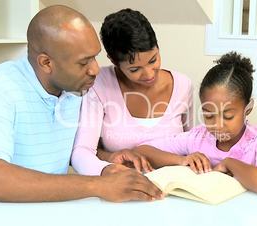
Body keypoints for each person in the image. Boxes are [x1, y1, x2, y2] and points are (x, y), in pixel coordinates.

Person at [0, 5, 162, 202]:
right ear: (46, 63)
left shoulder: (75, 88)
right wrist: (98, 185)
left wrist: (107, 162)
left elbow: (70, 150)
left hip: (47, 210)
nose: (95, 70)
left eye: (94, 57)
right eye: (83, 63)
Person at [132, 52, 257, 196]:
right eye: (209, 115)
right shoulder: (198, 137)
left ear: (247, 108)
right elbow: (142, 150)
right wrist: (182, 160)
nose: (217, 125)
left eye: (228, 116)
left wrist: (229, 163)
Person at [71, 8, 193, 175]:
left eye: (153, 60)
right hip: (122, 184)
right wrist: (111, 158)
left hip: (176, 186)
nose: (149, 74)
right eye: (135, 69)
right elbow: (83, 151)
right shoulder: (99, 85)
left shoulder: (183, 85)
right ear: (114, 61)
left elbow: (193, 143)